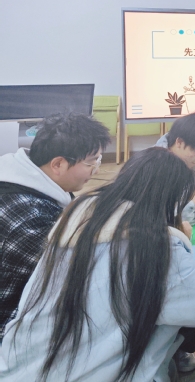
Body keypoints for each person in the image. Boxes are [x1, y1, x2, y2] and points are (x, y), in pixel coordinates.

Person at [0, 147, 195, 382]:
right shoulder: (155, 250)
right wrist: (183, 245)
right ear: (170, 201)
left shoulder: (75, 221)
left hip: (14, 367)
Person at [0, 112, 110, 342]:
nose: (96, 170)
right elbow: (75, 272)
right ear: (58, 164)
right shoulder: (30, 220)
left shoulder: (22, 178)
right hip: (10, 330)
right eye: (91, 162)